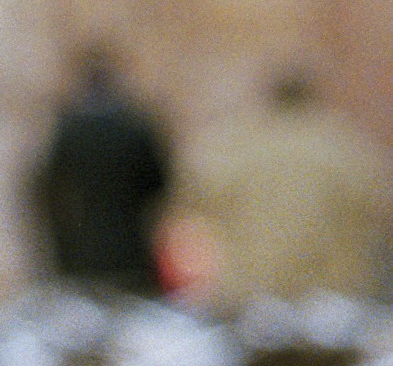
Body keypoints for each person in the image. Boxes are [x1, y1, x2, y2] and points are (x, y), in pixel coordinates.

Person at [180, 69, 390, 302]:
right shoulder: (346, 148)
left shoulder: (230, 146)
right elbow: (378, 209)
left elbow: (191, 207)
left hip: (245, 294)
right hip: (329, 297)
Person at [31, 47, 174, 293]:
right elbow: (159, 185)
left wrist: (60, 246)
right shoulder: (136, 127)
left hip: (81, 255)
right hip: (131, 251)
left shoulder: (69, 130)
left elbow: (46, 192)